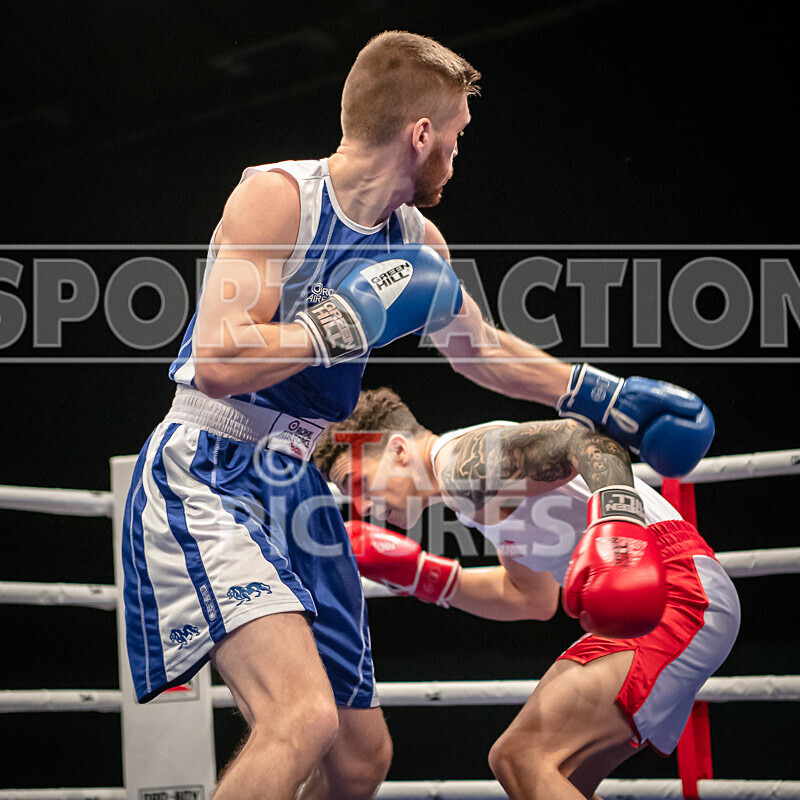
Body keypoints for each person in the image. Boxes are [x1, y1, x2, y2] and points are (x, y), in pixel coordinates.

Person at [122, 30, 715, 800]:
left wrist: (597, 392)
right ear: (421, 133)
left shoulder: (417, 241)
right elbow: (220, 361)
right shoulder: (277, 198)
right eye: (457, 136)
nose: (459, 156)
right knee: (300, 719)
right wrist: (349, 318)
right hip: (212, 462)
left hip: (296, 480)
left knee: (361, 758)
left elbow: (482, 352)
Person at [314, 387, 741, 800]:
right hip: (664, 593)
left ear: (398, 451)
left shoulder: (460, 463)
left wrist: (617, 527)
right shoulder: (469, 496)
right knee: (559, 780)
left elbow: (585, 441)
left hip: (676, 586)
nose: (362, 506)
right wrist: (422, 575)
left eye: (355, 481)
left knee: (521, 758)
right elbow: (529, 598)